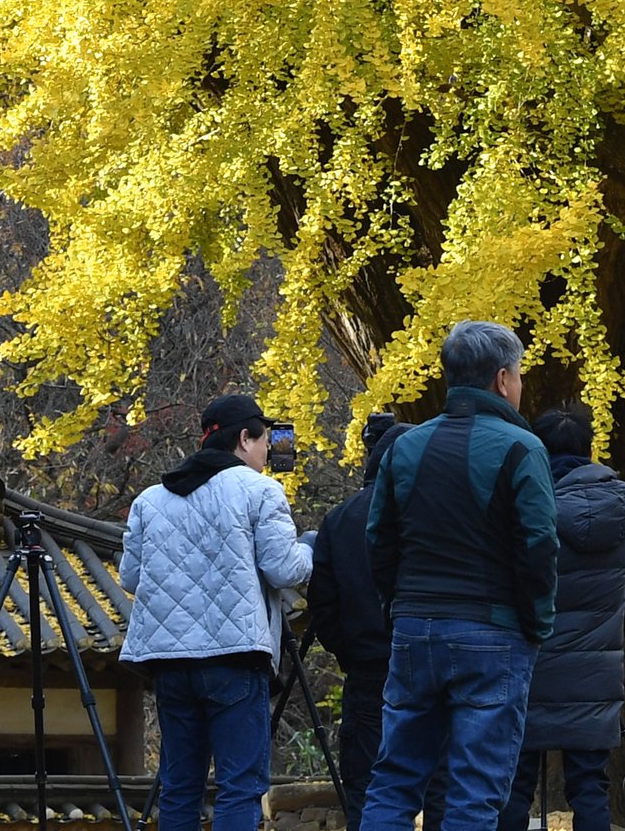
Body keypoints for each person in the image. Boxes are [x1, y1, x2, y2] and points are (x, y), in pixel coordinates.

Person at [359, 320, 560, 831]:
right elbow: (538, 546)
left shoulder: (405, 447)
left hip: (413, 628)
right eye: (517, 375)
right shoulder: (521, 448)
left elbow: (379, 536)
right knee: (475, 788)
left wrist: (396, 605)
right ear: (501, 379)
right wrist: (537, 622)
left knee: (394, 779)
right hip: (493, 632)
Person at [119, 392, 314, 831]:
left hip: (168, 661)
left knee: (180, 786)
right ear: (245, 439)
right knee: (239, 786)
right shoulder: (261, 490)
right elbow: (284, 567)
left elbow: (130, 578)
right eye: (265, 441)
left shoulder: (151, 499)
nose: (268, 452)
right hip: (235, 657)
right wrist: (311, 548)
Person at [497, 402, 625, 831]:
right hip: (595, 680)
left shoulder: (526, 505)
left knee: (513, 786)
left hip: (530, 671)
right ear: (589, 448)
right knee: (589, 787)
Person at [308, 420, 443, 831]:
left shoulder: (340, 519)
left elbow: (323, 602)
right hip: (431, 662)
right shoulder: (437, 513)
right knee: (442, 785)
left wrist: (348, 650)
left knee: (368, 785)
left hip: (367, 667)